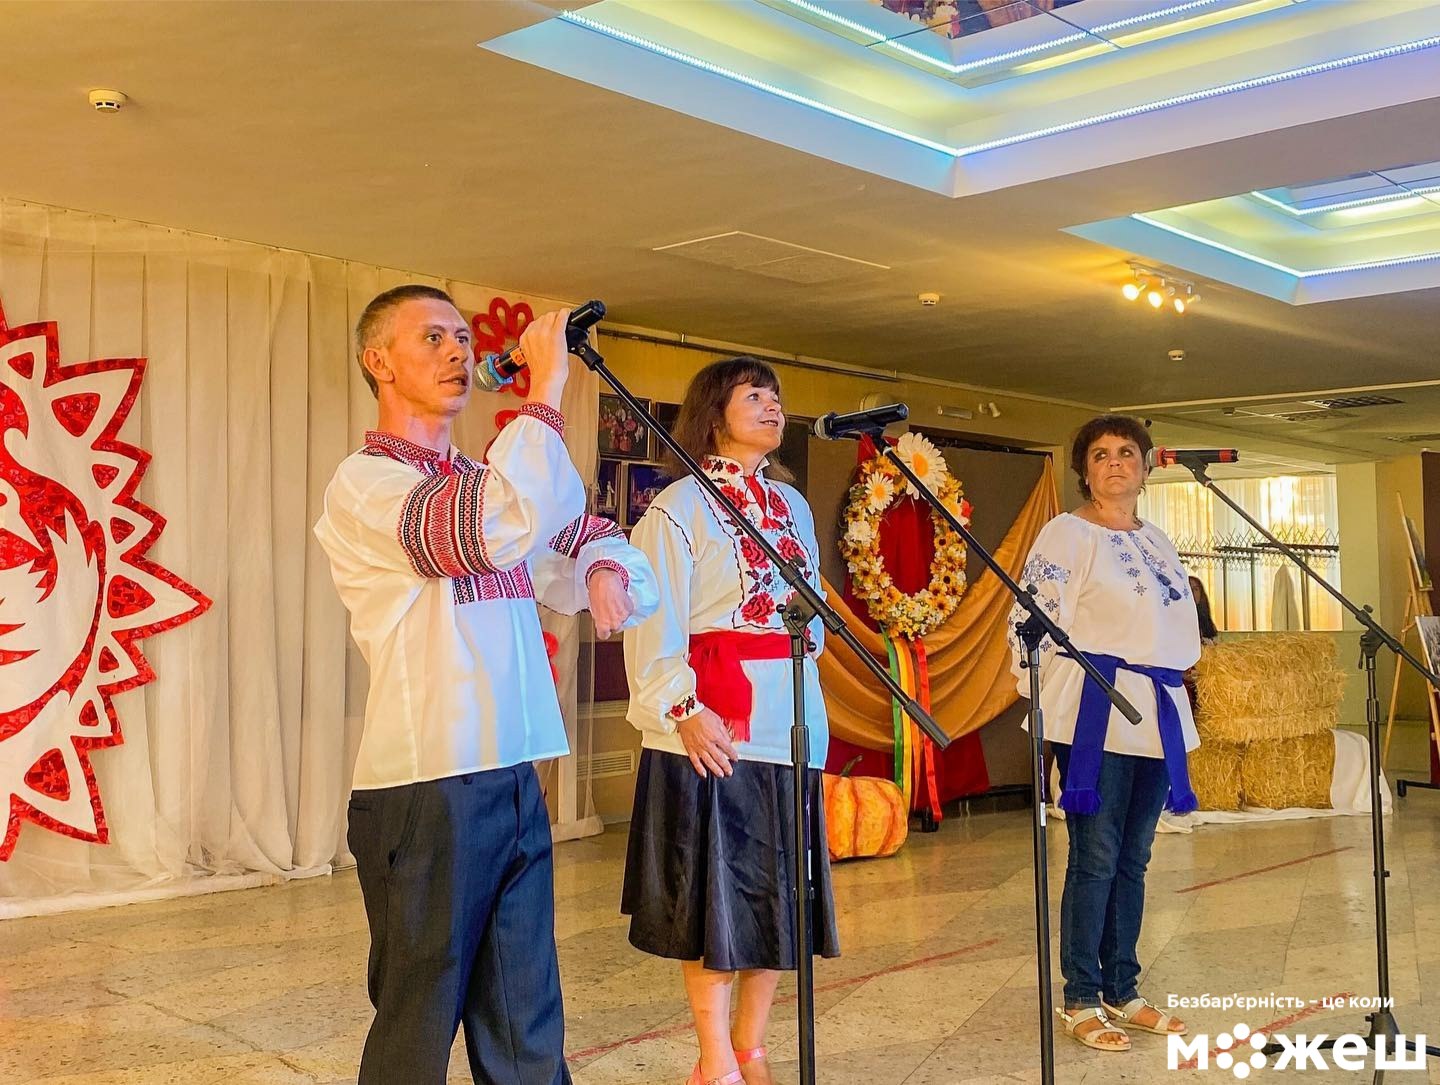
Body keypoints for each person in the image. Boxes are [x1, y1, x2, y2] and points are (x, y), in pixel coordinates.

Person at [313, 285, 657, 1085]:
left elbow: (584, 533)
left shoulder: (485, 480)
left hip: (511, 772)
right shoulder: (366, 483)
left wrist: (603, 568)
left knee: (525, 1017)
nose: (458, 352)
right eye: (433, 337)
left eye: (464, 338)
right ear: (378, 361)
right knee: (418, 1021)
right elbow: (483, 529)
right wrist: (546, 389)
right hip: (427, 782)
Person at [621, 358, 839, 1085]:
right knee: (715, 895)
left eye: (776, 395)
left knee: (778, 891)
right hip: (715, 717)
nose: (773, 405)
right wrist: (682, 709)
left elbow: (812, 613)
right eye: (754, 395)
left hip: (789, 713)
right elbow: (652, 620)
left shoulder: (792, 504)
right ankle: (713, 1054)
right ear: (714, 412)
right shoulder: (677, 506)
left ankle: (752, 1044)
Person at [1008, 414, 1200, 1053]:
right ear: (1084, 471)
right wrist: (1038, 691)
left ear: (1145, 467)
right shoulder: (1067, 533)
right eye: (1100, 454)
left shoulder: (1158, 539)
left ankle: (1123, 987)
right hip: (1095, 708)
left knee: (1134, 857)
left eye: (1126, 452)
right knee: (1095, 855)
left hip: (1156, 709)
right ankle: (1081, 996)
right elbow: (1032, 618)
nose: (1115, 462)